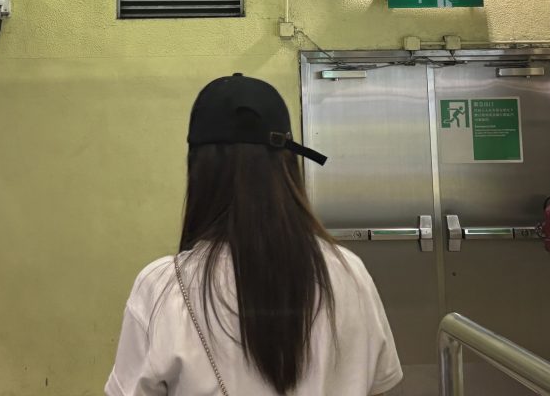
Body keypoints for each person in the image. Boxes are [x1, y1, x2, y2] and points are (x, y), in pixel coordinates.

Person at [106, 74, 402, 396]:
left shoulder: (163, 286)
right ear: (287, 165)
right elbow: (379, 385)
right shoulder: (349, 272)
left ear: (199, 172)